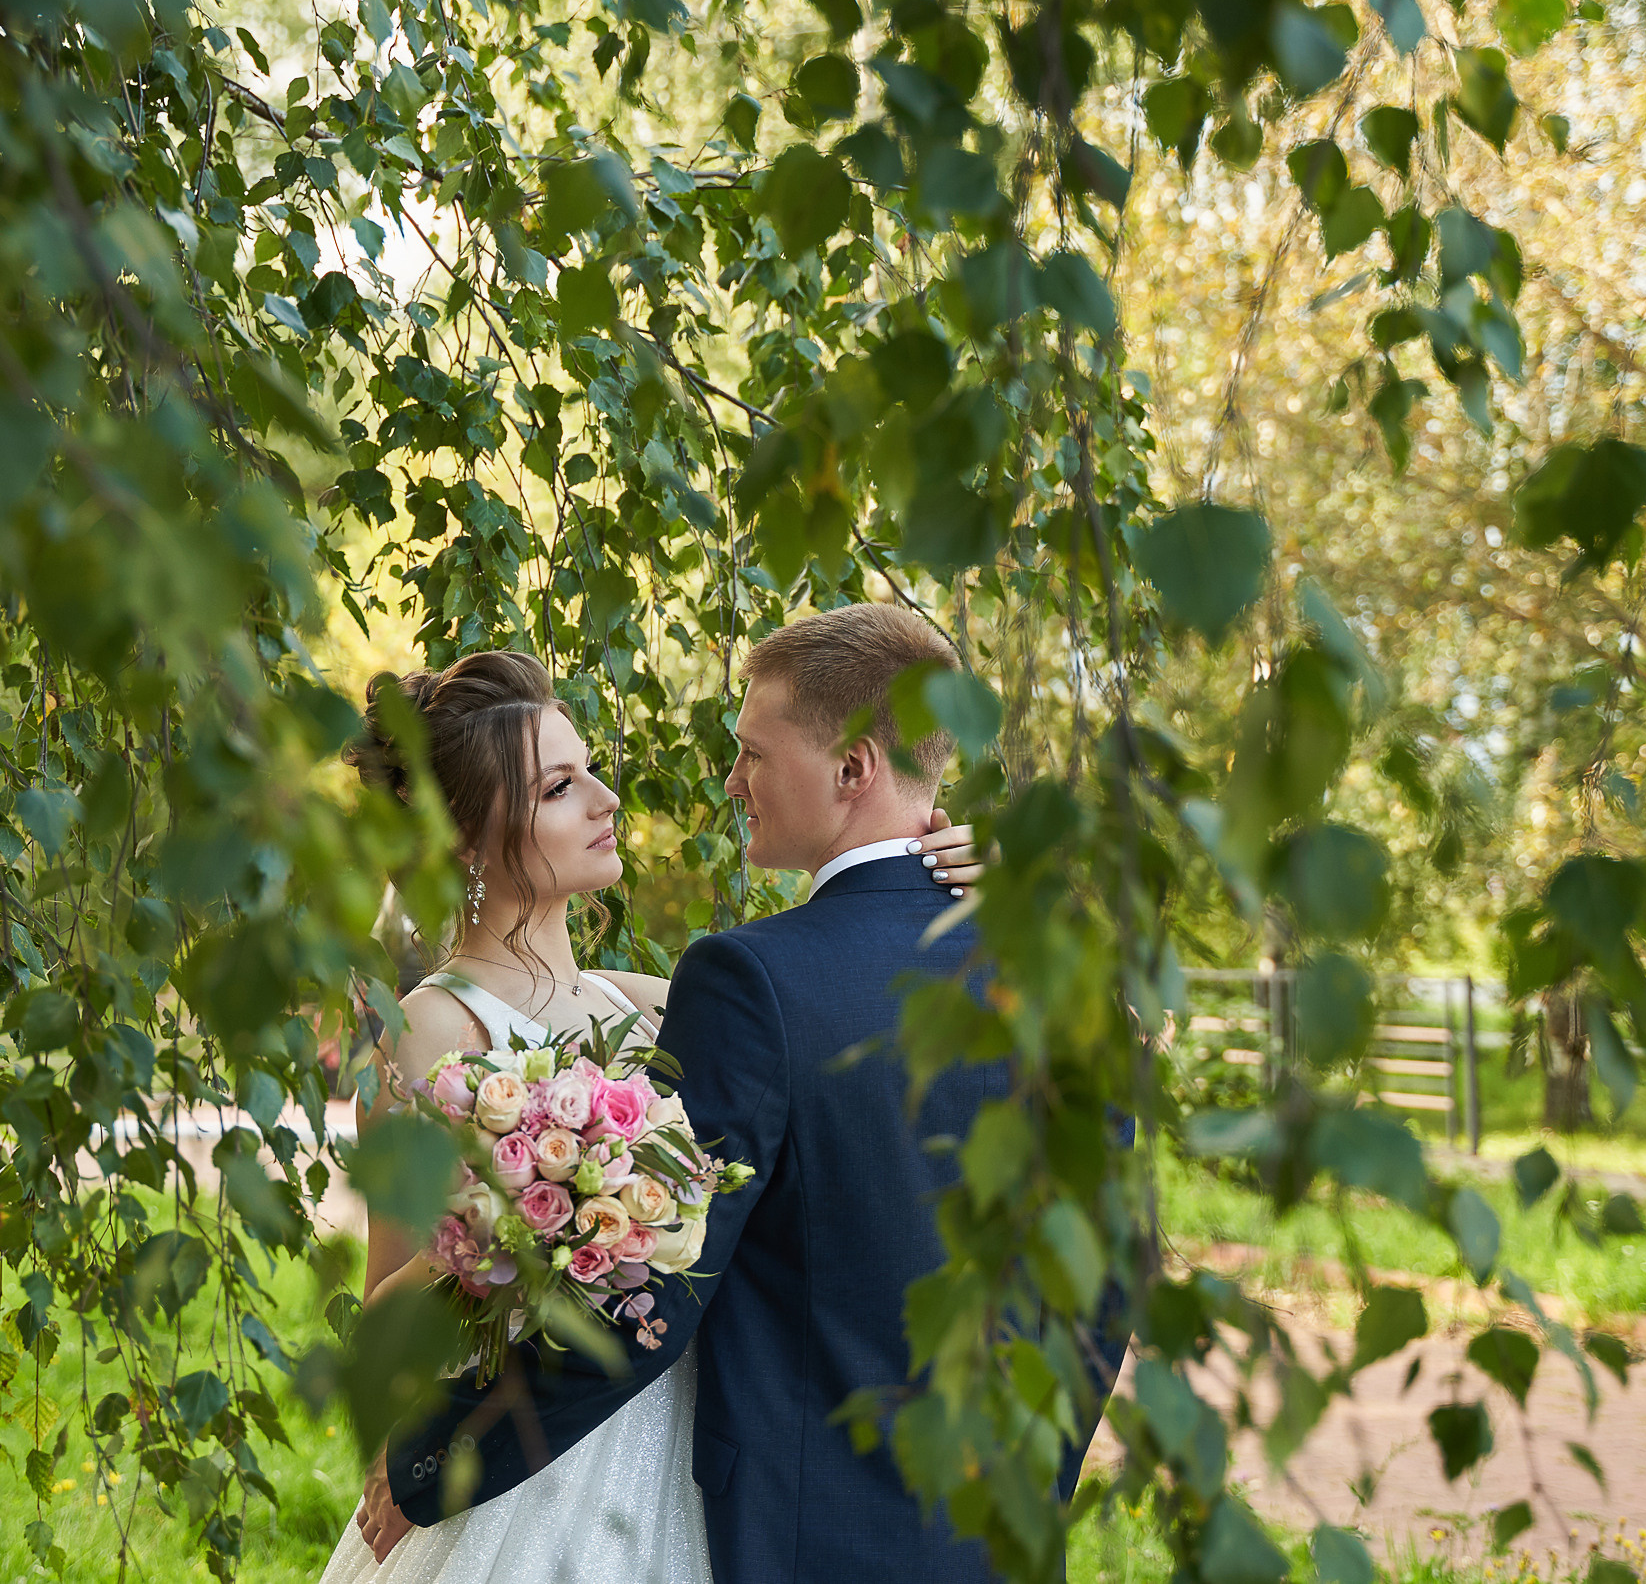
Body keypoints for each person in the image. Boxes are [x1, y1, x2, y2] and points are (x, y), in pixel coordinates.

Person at [351, 605, 1126, 1584]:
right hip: (595, 1470)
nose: (608, 799)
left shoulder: (690, 991)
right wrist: (515, 1235)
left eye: (752, 755)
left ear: (853, 770)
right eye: (560, 784)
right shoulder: (427, 1029)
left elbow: (682, 1262)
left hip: (719, 1482)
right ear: (466, 833)